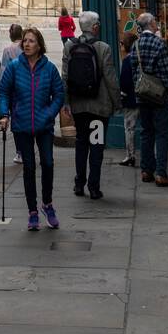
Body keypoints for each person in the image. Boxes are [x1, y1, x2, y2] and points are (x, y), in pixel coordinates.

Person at [0, 26, 64, 231]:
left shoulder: (50, 68)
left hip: (44, 125)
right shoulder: (15, 67)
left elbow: (59, 94)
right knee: (28, 167)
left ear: (39, 45)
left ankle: (47, 204)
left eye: (31, 41)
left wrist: (49, 113)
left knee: (48, 163)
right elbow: (4, 92)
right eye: (25, 41)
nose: (26, 44)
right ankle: (32, 211)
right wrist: (4, 115)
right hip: (22, 124)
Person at [62, 11, 121, 199]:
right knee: (96, 145)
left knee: (81, 144)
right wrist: (117, 102)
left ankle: (79, 184)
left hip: (79, 106)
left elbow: (65, 77)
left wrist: (66, 102)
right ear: (95, 27)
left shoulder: (69, 46)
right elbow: (111, 78)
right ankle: (94, 187)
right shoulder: (103, 47)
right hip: (98, 108)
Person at [129, 12, 168, 186]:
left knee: (146, 132)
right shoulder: (159, 44)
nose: (157, 23)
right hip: (160, 96)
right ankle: (160, 173)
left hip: (143, 95)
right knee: (161, 134)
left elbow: (133, 71)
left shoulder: (135, 45)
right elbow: (166, 74)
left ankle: (146, 171)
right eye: (155, 21)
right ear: (151, 24)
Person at [0, 23, 25, 164]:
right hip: (27, 89)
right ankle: (29, 149)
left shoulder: (8, 50)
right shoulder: (27, 47)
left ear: (10, 34)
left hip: (14, 92)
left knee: (16, 121)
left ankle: (20, 152)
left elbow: (3, 71)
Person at [119, 30, 139, 167]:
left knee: (129, 128)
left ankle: (130, 156)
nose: (120, 45)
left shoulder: (127, 60)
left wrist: (121, 96)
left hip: (131, 100)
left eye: (121, 43)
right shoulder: (140, 58)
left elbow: (124, 83)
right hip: (144, 97)